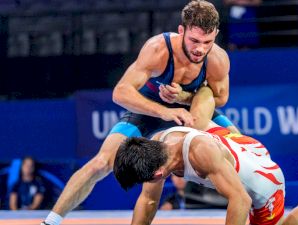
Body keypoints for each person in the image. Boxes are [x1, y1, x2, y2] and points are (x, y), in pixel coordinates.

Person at [41, 1, 239, 224]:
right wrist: (164, 111)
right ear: (181, 30)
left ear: (216, 35)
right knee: (102, 162)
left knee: (241, 148)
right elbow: (121, 92)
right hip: (150, 110)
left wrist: (183, 97)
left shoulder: (217, 58)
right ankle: (51, 221)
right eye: (194, 40)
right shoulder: (159, 49)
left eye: (207, 42)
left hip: (192, 111)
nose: (200, 49)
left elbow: (221, 98)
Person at [114, 86, 298, 225]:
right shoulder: (156, 144)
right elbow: (148, 202)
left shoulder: (200, 154)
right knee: (210, 136)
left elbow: (240, 200)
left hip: (264, 180)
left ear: (158, 175)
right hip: (237, 144)